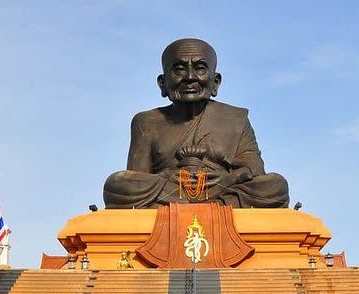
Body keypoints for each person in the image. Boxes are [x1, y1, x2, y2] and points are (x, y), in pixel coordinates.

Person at [103, 38, 289, 209]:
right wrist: (165, 177)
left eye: (200, 68)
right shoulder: (147, 121)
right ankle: (213, 205)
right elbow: (136, 177)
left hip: (223, 188)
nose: (190, 77)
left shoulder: (235, 118)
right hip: (169, 189)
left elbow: (254, 169)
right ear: (163, 83)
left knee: (275, 185)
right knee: (117, 184)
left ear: (215, 82)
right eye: (179, 69)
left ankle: (206, 203)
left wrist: (227, 179)